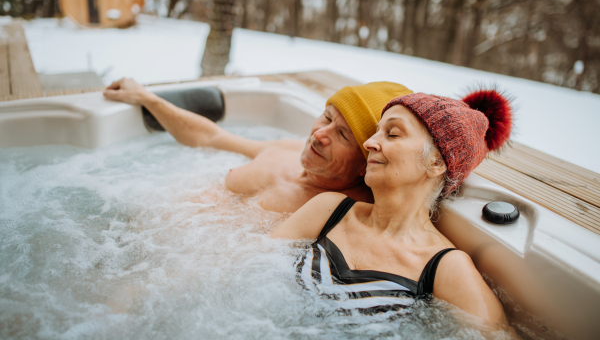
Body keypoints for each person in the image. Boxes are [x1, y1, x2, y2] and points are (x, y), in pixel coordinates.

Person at [271, 89, 514, 330]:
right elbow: (253, 261)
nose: (369, 143)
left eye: (393, 134)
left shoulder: (445, 267)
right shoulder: (329, 210)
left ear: (436, 162)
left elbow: (498, 335)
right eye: (377, 131)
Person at [103, 78, 413, 212]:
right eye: (326, 117)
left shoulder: (351, 210)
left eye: (343, 135)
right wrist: (146, 97)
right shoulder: (288, 150)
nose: (320, 134)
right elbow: (210, 137)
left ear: (366, 161)